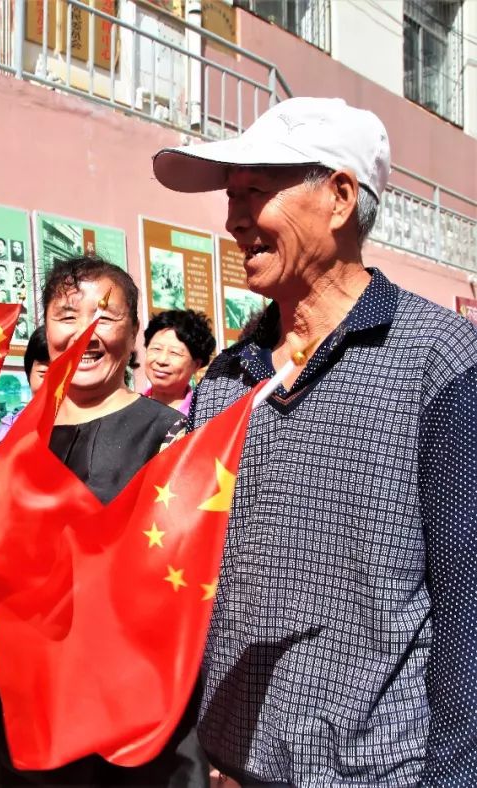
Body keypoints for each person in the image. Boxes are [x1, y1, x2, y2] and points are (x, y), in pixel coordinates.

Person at [153, 96, 477, 783]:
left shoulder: (439, 358)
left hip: (382, 770)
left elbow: (467, 599)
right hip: (235, 763)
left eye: (256, 192)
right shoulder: (227, 379)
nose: (235, 219)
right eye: (231, 197)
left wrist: (452, 776)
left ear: (338, 197)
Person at [0, 256, 207, 787]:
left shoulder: (171, 436)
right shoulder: (19, 438)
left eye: (105, 317)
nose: (85, 332)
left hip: (134, 715)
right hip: (30, 700)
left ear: (134, 337)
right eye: (66, 314)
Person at [0, 325, 49, 468]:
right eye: (44, 373)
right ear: (29, 375)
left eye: (64, 371)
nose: (53, 382)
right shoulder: (5, 432)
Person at [142, 309, 215, 415]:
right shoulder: (127, 408)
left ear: (196, 365)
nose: (162, 360)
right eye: (156, 349)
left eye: (174, 353)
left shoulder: (203, 418)